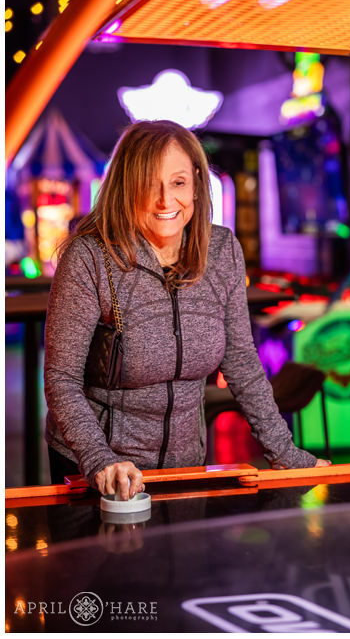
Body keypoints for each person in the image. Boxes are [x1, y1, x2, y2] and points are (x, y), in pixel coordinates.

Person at [44, 120, 329, 499]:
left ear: (196, 183)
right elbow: (61, 380)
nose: (165, 201)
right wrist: (100, 460)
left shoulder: (222, 250)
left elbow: (241, 362)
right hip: (97, 466)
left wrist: (285, 452)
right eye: (149, 184)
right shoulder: (90, 257)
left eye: (178, 182)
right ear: (126, 186)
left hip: (185, 464)